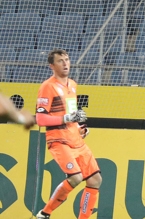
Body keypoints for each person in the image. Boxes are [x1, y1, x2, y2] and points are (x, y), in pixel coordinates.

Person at [34, 49, 101, 219]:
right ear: (52, 66)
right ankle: (44, 213)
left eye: (67, 60)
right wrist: (65, 118)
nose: (65, 64)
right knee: (76, 177)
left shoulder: (72, 84)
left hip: (75, 139)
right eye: (60, 61)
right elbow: (41, 119)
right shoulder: (47, 87)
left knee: (95, 180)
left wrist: (80, 127)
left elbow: (72, 114)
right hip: (58, 140)